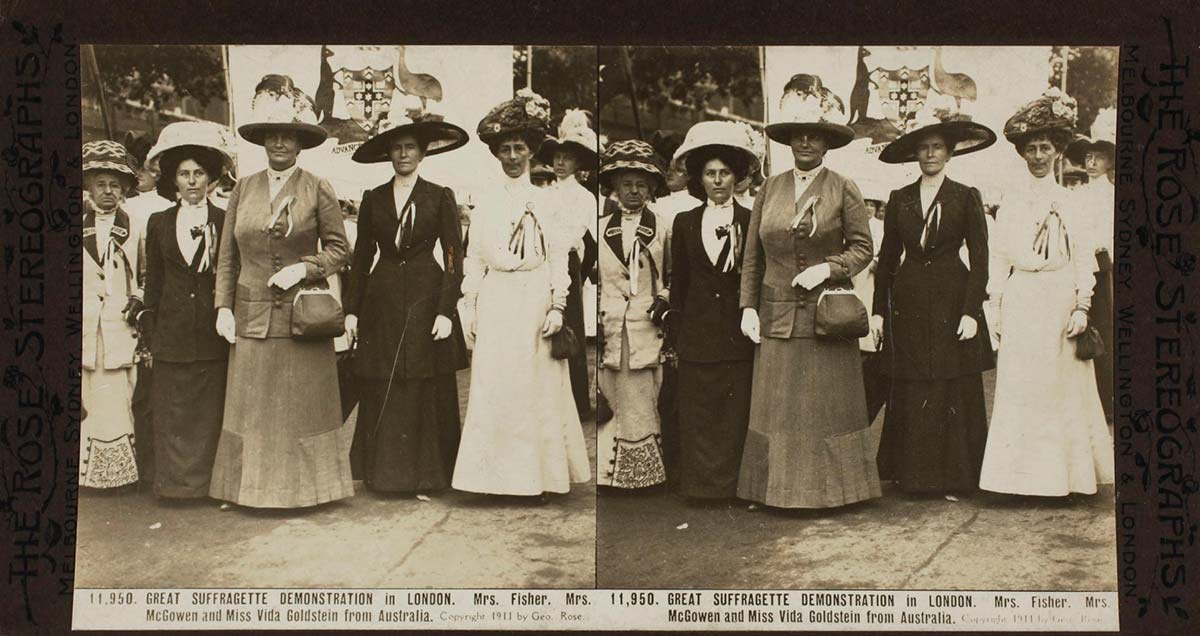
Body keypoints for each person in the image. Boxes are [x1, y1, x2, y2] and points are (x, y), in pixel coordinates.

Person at [209, 75, 353, 508]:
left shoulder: (317, 186)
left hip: (301, 316)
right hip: (251, 313)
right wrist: (222, 307)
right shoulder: (243, 188)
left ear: (300, 143)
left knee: (301, 407)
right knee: (252, 409)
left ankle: (311, 492)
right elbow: (228, 256)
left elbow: (340, 250)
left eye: (288, 136)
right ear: (263, 141)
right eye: (272, 136)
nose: (279, 144)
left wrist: (303, 269)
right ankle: (247, 492)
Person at [737, 74, 880, 509]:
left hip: (826, 315)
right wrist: (747, 306)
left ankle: (837, 494)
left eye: (814, 135)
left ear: (826, 142)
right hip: (777, 313)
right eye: (798, 135)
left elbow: (863, 248)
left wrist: (828, 268)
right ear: (789, 141)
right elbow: (752, 255)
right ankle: (776, 493)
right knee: (778, 409)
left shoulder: (843, 186)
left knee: (826, 408)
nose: (805, 142)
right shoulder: (770, 188)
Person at [452, 89, 591, 497]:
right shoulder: (487, 200)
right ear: (496, 154)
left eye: (520, 148)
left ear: (532, 152)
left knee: (537, 388)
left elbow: (558, 259)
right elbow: (475, 257)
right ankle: (491, 480)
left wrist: (558, 306)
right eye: (505, 149)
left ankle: (539, 479)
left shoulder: (546, 201)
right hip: (498, 297)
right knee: (494, 386)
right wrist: (470, 305)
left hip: (534, 299)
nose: (512, 156)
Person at [979, 89, 1114, 497]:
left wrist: (1082, 305)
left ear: (1058, 152)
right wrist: (995, 306)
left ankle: (1064, 480)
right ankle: (1016, 482)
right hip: (1023, 297)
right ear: (1022, 154)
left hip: (1058, 300)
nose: (1038, 156)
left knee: (1061, 387)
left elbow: (1082, 260)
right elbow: (999, 256)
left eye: (1045, 148)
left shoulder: (1071, 202)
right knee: (1020, 386)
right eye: (1031, 149)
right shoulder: (1012, 201)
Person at [871, 105, 996, 495]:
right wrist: (878, 312)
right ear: (914, 154)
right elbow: (888, 259)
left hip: (952, 297)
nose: (930, 154)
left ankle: (956, 476)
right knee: (912, 385)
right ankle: (913, 476)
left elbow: (980, 258)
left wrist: (971, 311)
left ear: (950, 152)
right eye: (923, 147)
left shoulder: (965, 196)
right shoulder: (899, 197)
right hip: (908, 300)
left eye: (937, 147)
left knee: (951, 385)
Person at [343, 113, 470, 494]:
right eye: (396, 148)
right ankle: (386, 475)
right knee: (385, 381)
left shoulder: (439, 195)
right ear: (388, 153)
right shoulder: (374, 198)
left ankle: (430, 475)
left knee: (425, 384)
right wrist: (351, 308)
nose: (403, 154)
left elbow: (452, 256)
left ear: (422, 152)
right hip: (381, 301)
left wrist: (446, 309)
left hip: (426, 296)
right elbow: (362, 256)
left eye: (410, 147)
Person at [141, 124, 234, 499]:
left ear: (210, 178)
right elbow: (154, 281)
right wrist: (150, 325)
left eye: (198, 173)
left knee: (207, 409)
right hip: (172, 330)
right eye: (184, 174)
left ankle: (206, 485)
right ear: (174, 180)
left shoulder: (224, 220)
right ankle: (173, 485)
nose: (192, 181)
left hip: (210, 330)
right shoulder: (159, 222)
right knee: (172, 409)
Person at [666, 122, 759, 501]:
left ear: (736, 177)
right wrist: (677, 335)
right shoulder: (685, 222)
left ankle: (733, 486)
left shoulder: (750, 220)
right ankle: (700, 487)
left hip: (737, 331)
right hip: (697, 332)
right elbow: (681, 284)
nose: (718, 180)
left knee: (734, 411)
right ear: (699, 179)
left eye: (724, 173)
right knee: (699, 410)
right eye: (710, 173)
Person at [596, 140, 672, 490]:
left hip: (646, 326)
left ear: (652, 188)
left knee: (643, 396)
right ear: (614, 186)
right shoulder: (599, 227)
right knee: (611, 394)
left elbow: (673, 275)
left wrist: (665, 299)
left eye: (641, 184)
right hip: (610, 325)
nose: (634, 191)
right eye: (627, 184)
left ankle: (645, 475)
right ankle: (610, 475)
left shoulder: (663, 227)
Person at [80, 140, 148, 489]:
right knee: (88, 396)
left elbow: (146, 276)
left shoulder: (135, 227)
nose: (108, 191)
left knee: (120, 395)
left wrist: (138, 298)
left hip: (120, 325)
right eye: (101, 184)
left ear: (124, 189)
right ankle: (88, 477)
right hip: (88, 326)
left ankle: (122, 475)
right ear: (89, 187)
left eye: (114, 185)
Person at [537, 109, 601, 417]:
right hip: (543, 260)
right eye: (557, 157)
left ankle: (577, 403)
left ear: (578, 163)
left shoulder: (584, 197)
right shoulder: (543, 192)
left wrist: (580, 272)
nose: (560, 163)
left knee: (571, 329)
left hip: (569, 261)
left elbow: (588, 240)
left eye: (568, 158)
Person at [1065, 107, 1115, 422]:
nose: (1092, 162)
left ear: (1111, 161)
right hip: (1078, 265)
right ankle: (1082, 400)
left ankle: (1106, 401)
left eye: (1099, 157)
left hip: (1101, 265)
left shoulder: (1111, 195)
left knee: (1102, 330)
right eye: (1088, 157)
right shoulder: (1077, 194)